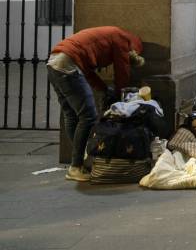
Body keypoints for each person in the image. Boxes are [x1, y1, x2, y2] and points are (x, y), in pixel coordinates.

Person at [47, 26, 145, 182]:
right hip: (68, 65)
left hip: (55, 63)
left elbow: (88, 72)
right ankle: (76, 166)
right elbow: (122, 71)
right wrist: (121, 97)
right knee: (88, 117)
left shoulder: (108, 35)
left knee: (72, 115)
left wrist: (104, 89)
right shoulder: (122, 40)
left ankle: (80, 160)